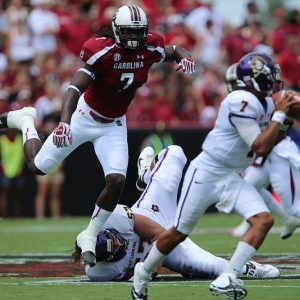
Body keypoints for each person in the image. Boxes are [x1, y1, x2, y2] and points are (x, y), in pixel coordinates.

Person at [0, 4, 195, 268]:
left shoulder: (150, 47)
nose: (135, 38)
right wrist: (65, 123)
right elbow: (73, 88)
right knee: (38, 167)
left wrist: (185, 56)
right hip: (83, 117)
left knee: (117, 180)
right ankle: (24, 121)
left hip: (113, 124)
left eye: (139, 32)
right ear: (116, 30)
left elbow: (172, 51)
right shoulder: (101, 51)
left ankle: (89, 234)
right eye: (129, 32)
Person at [131, 52, 298, 300]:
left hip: (230, 176)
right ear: (251, 81)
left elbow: (276, 137)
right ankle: (142, 274)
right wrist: (281, 116)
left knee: (263, 220)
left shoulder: (264, 103)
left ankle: (227, 278)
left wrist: (284, 121)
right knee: (178, 233)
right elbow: (261, 146)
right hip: (206, 173)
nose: (273, 81)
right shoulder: (239, 100)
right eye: (267, 77)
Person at [71, 145, 280, 281]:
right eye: (115, 250)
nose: (120, 245)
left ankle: (146, 175)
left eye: (115, 241)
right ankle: (250, 267)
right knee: (213, 267)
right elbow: (129, 274)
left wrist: (151, 270)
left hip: (153, 217)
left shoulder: (113, 218)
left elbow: (161, 235)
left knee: (175, 153)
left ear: (108, 232)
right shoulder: (100, 271)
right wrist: (153, 268)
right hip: (166, 252)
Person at [225, 63, 300, 239]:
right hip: (265, 156)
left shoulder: (269, 100)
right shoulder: (243, 105)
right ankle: (286, 219)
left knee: (296, 207)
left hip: (280, 153)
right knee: (244, 190)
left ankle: (288, 217)